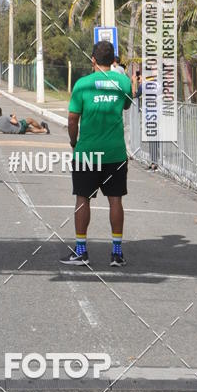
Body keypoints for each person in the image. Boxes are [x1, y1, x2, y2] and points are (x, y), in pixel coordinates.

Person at [61, 41, 135, 268]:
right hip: (115, 152)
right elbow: (126, 107)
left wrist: (74, 141)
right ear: (113, 60)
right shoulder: (123, 81)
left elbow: (73, 119)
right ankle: (116, 252)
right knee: (115, 201)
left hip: (87, 152)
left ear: (93, 59)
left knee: (83, 200)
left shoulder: (82, 84)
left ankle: (82, 251)